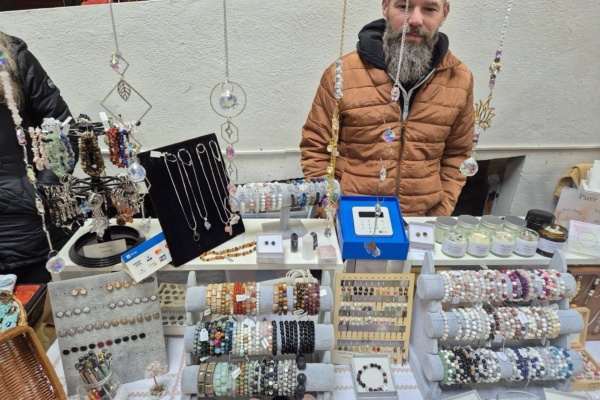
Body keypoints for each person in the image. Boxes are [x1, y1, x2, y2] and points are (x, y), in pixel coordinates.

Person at [300, 0, 474, 216]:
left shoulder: (459, 79)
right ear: (385, 7)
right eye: (403, 6)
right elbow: (315, 147)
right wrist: (330, 209)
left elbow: (458, 154)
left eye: (429, 9)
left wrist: (441, 210)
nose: (415, 20)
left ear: (444, 13)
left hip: (421, 221)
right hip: (349, 218)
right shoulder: (343, 73)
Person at [0, 32, 73, 283]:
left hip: (29, 233)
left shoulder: (13, 59)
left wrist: (43, 190)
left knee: (43, 306)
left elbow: (62, 129)